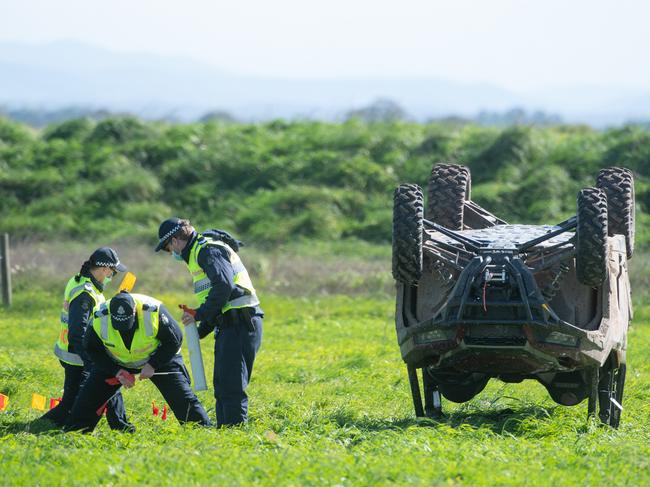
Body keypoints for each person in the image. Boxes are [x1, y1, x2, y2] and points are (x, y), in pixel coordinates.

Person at [155, 218, 263, 427]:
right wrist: (202, 327)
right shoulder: (198, 252)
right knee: (222, 385)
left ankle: (235, 437)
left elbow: (224, 286)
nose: (171, 253)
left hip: (241, 323)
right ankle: (226, 432)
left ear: (176, 240)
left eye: (168, 248)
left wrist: (199, 314)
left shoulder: (206, 250)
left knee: (231, 385)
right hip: (230, 324)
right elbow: (219, 299)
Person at [64, 291, 210, 432]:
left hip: (157, 357)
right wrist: (116, 371)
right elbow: (92, 349)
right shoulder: (99, 316)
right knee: (86, 402)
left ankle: (203, 432)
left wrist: (153, 364)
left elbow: (174, 340)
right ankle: (75, 433)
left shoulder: (153, 312)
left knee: (182, 398)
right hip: (116, 361)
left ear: (135, 311)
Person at [42, 247, 132, 431]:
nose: (112, 276)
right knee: (105, 382)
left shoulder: (83, 282)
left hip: (75, 353)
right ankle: (121, 427)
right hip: (78, 354)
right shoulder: (84, 293)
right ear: (105, 269)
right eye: (113, 272)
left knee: (71, 403)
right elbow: (77, 331)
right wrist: (92, 360)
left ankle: (42, 425)